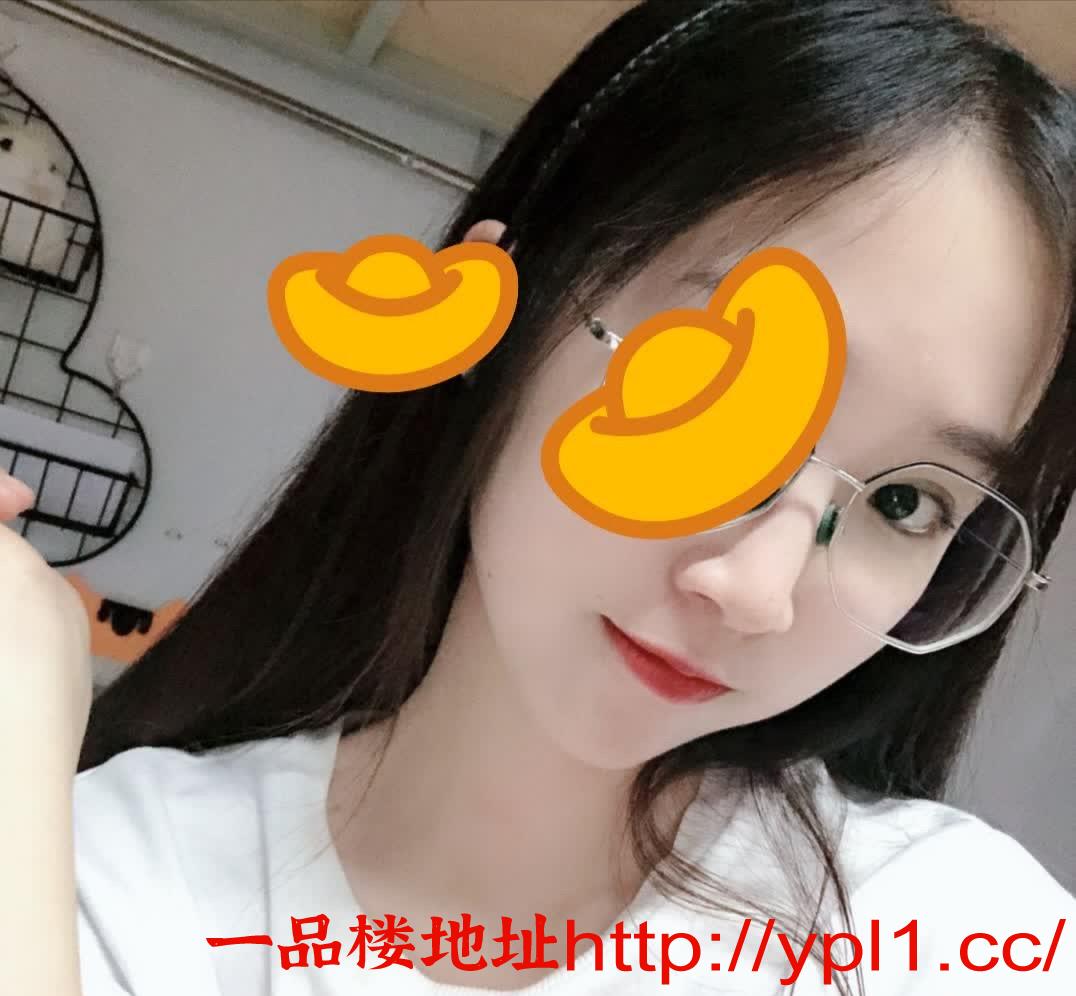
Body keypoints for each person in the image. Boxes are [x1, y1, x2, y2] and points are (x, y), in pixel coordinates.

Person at [2, 0, 1074, 993]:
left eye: (905, 504)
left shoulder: (953, 930)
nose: (757, 588)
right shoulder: (91, 876)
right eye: (705, 385)